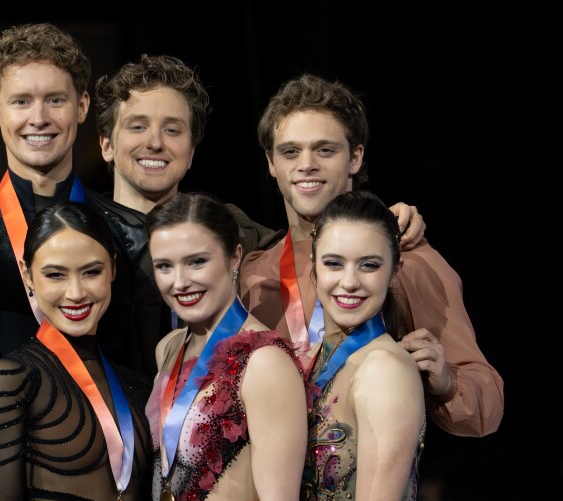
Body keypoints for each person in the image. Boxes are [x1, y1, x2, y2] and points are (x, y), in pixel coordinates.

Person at [92, 54, 425, 379]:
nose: (155, 142)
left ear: (192, 150)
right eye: (138, 126)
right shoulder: (80, 233)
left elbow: (312, 235)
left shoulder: (230, 230)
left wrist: (384, 220)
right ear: (106, 144)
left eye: (173, 130)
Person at [238, 73, 503, 439]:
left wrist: (445, 382)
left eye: (325, 149)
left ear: (355, 157)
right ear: (271, 162)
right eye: (290, 151)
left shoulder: (407, 262)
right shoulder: (253, 272)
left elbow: (486, 406)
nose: (307, 164)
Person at [0, 23, 142, 370]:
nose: (39, 118)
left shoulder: (133, 235)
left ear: (83, 106)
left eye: (55, 100)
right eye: (21, 102)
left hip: (109, 422)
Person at [0, 201, 153, 501]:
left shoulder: (139, 385)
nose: (75, 293)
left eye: (91, 272)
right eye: (55, 274)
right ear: (27, 275)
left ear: (114, 271)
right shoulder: (12, 378)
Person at [144, 192, 307, 501]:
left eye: (197, 261)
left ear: (234, 258)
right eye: (164, 266)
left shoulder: (265, 360)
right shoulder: (168, 349)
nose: (179, 282)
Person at [289, 190, 427, 501]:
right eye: (334, 263)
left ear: (394, 271)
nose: (349, 282)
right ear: (313, 268)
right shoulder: (310, 360)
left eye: (369, 265)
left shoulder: (385, 369)